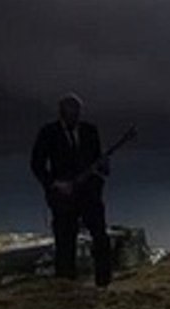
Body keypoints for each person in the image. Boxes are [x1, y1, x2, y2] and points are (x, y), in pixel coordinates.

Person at [31, 93, 113, 286]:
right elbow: (37, 165)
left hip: (89, 194)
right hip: (63, 198)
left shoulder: (90, 131)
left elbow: (98, 163)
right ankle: (66, 285)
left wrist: (103, 165)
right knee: (65, 242)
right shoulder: (48, 133)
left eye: (76, 112)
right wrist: (55, 184)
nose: (74, 116)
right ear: (61, 113)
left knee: (100, 237)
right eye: (69, 112)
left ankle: (104, 283)